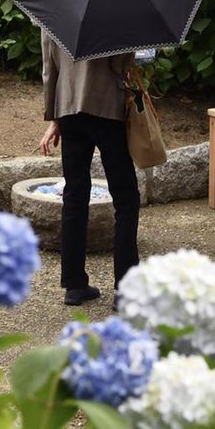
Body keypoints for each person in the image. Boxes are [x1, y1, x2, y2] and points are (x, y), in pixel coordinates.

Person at [38, 30, 140, 307]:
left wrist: (54, 117)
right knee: (126, 198)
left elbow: (50, 69)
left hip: (68, 108)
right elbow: (120, 66)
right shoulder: (115, 8)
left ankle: (74, 285)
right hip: (107, 108)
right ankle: (126, 290)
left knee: (74, 195)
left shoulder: (55, 10)